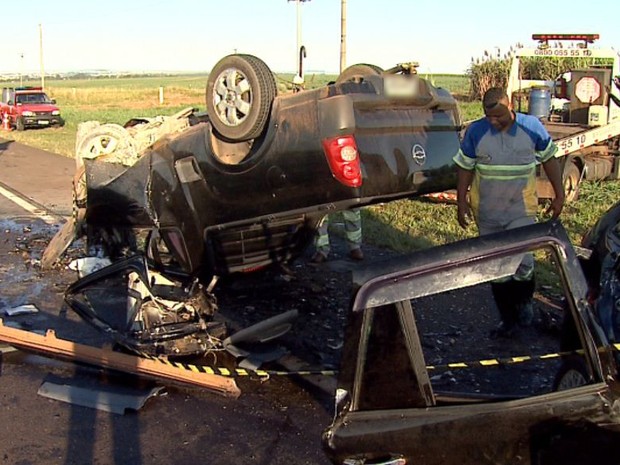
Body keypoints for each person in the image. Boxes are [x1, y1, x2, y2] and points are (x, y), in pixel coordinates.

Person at [454, 87, 565, 337]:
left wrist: (560, 195)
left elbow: (549, 160)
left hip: (521, 209)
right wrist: (461, 202)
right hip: (487, 212)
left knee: (523, 263)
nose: (494, 121)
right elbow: (465, 168)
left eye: (499, 116)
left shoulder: (531, 127)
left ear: (511, 106)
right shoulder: (476, 131)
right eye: (488, 116)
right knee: (497, 270)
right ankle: (507, 320)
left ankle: (524, 307)